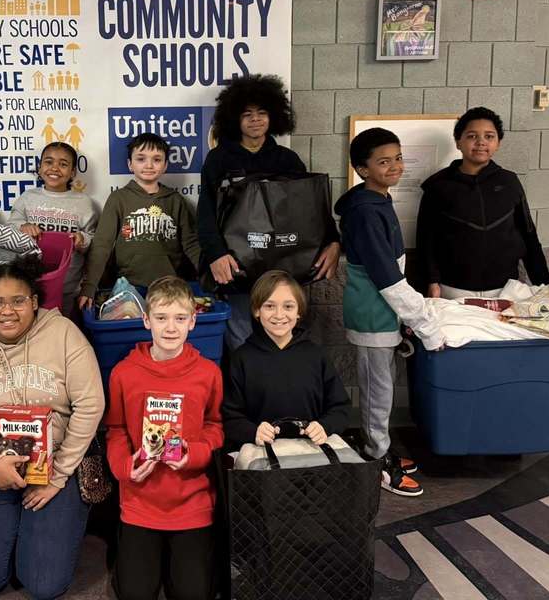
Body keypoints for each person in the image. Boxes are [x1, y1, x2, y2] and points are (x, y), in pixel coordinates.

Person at [0, 258, 104, 599]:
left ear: (34, 302)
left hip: (58, 463)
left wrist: (58, 475)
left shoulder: (64, 334)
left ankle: (32, 536)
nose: (7, 311)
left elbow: (90, 405)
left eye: (18, 301)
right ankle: (11, 534)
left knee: (43, 584)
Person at [335, 128, 445, 497]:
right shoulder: (366, 212)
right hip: (373, 314)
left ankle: (379, 445)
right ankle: (376, 459)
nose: (395, 166)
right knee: (377, 392)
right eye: (384, 161)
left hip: (384, 312)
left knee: (382, 387)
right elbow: (388, 279)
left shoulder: (377, 200)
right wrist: (425, 324)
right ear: (362, 169)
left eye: (398, 158)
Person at [197, 74, 341, 350]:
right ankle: (246, 378)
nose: (255, 119)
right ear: (234, 119)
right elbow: (205, 212)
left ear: (273, 115)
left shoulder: (287, 159)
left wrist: (333, 242)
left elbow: (311, 209)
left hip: (283, 265)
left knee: (284, 333)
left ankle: (281, 377)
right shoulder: (219, 159)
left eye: (262, 112)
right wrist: (215, 254)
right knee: (240, 336)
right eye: (247, 114)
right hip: (236, 266)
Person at [105, 277, 224, 600]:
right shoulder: (124, 373)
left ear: (193, 321)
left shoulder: (208, 373)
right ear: (146, 321)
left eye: (180, 318)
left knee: (193, 592)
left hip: (192, 501)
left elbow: (215, 426)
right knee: (134, 593)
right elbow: (115, 429)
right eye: (161, 318)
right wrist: (124, 467)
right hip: (140, 500)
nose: (170, 328)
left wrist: (195, 454)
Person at [417, 107, 549, 299]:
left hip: (505, 289)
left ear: (498, 143)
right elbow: (426, 240)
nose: (481, 142)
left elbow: (528, 235)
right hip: (454, 289)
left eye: (489, 136)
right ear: (458, 142)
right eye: (472, 136)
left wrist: (545, 284)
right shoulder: (437, 186)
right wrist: (431, 281)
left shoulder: (509, 181)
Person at [221, 270, 352, 452]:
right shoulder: (241, 359)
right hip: (261, 454)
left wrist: (324, 426)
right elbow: (229, 417)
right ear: (257, 310)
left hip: (311, 453)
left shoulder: (316, 355)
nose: (279, 314)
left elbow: (340, 408)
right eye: (269, 306)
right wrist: (252, 431)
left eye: (288, 306)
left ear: (299, 311)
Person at [79, 133, 201, 309]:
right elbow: (102, 245)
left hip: (169, 288)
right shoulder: (118, 199)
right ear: (130, 164)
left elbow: (191, 244)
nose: (149, 165)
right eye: (141, 159)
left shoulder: (175, 200)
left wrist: (209, 276)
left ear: (165, 165)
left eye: (157, 159)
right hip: (128, 287)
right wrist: (89, 286)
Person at [10, 141, 99, 313]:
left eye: (63, 164)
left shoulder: (84, 202)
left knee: (64, 326)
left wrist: (82, 239)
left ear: (73, 172)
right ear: (40, 168)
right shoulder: (27, 197)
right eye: (49, 162)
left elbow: (93, 239)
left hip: (68, 288)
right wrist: (23, 227)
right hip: (29, 285)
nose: (55, 168)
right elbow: (9, 229)